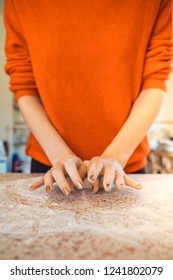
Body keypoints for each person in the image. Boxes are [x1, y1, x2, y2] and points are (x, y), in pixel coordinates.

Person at [4, 0, 172, 195]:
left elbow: (154, 81)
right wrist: (60, 156)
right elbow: (24, 86)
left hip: (124, 166)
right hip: (52, 164)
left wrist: (115, 155)